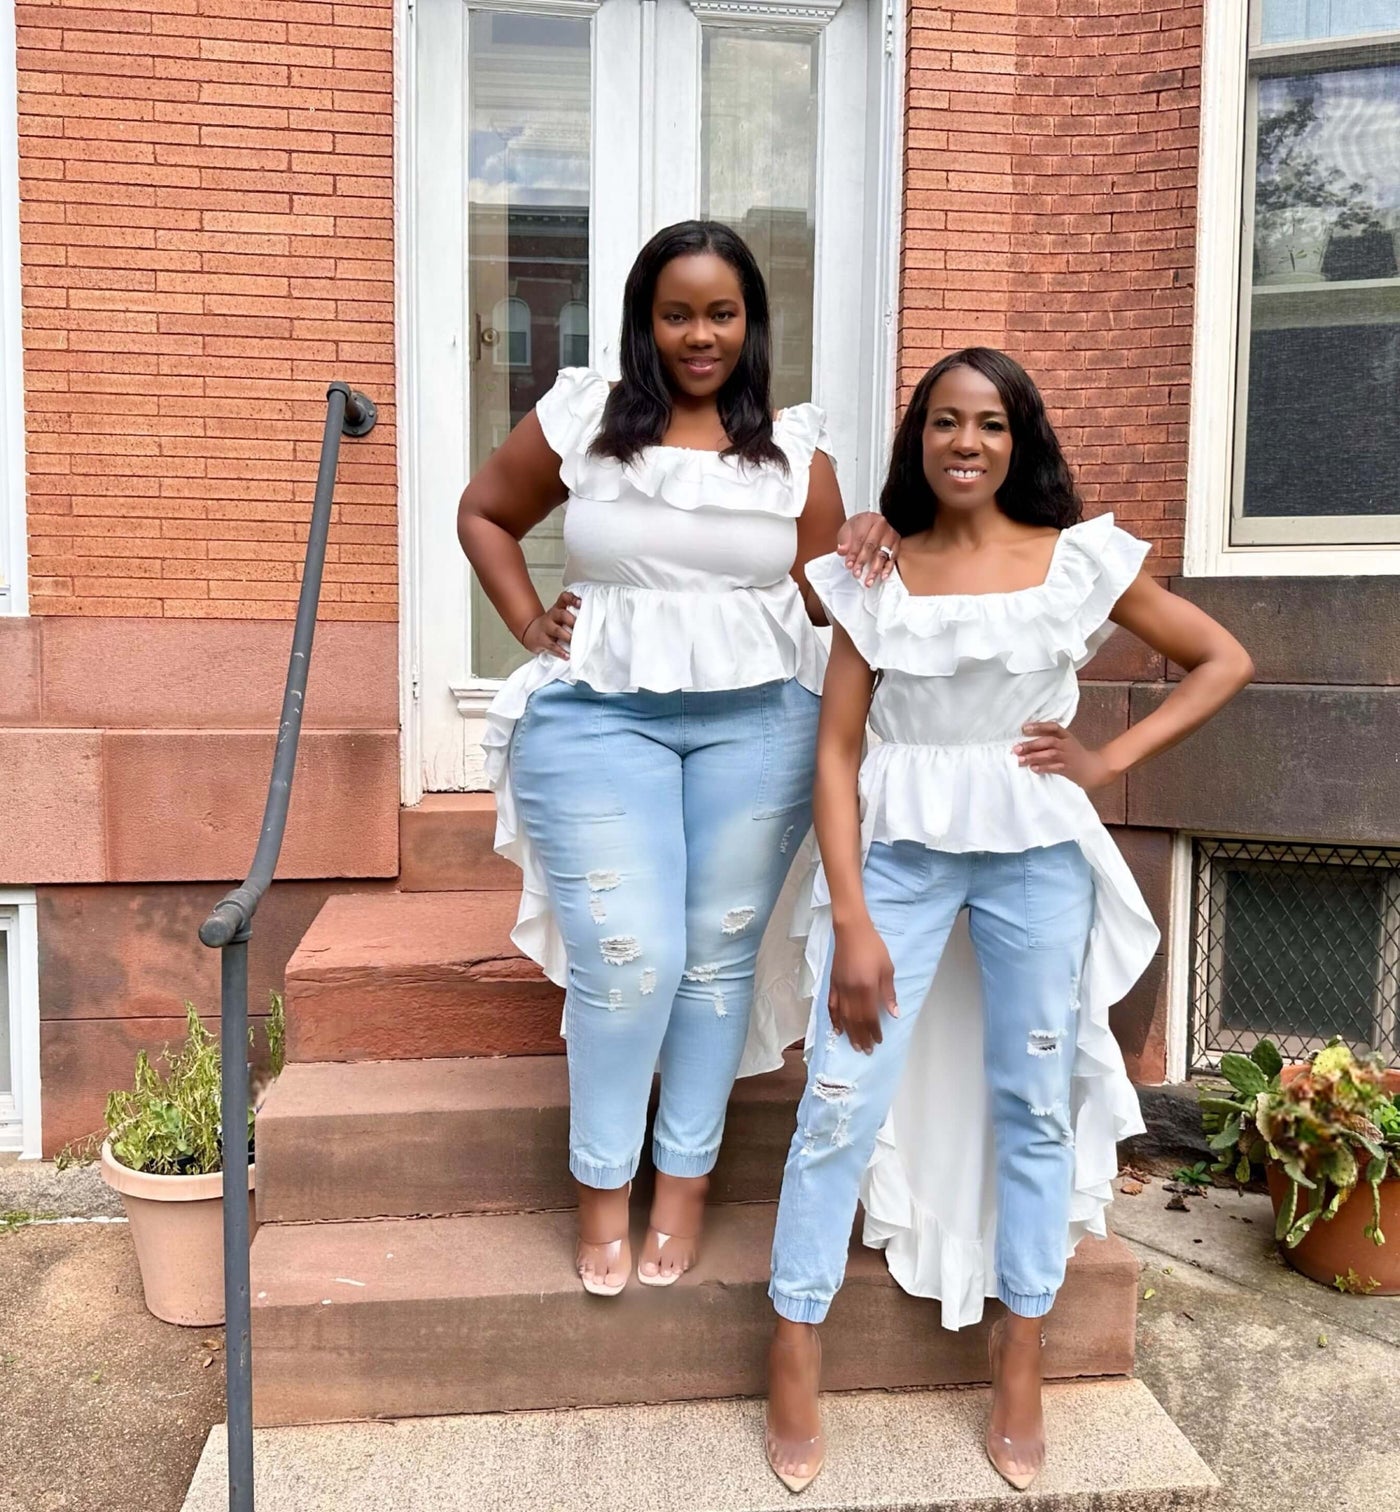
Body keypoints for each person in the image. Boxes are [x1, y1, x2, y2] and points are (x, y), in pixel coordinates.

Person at [762, 348, 1253, 1493]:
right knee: (838, 1096)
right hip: (896, 861)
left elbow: (1219, 658)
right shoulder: (875, 572)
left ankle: (1018, 1343)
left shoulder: (1073, 563)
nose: (966, 442)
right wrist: (849, 915)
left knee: (1031, 1100)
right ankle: (793, 1338)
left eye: (988, 423)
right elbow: (837, 754)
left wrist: (1102, 762)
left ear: (1019, 438)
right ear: (918, 440)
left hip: (1037, 862)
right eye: (943, 422)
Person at [457, 220, 900, 1298]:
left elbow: (821, 598)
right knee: (629, 956)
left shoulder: (795, 453)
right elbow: (483, 515)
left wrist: (872, 541)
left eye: (720, 313)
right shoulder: (583, 420)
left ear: (750, 324)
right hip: (595, 717)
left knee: (715, 960)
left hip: (758, 725)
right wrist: (525, 623)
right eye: (676, 313)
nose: (698, 334)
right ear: (643, 322)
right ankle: (602, 1191)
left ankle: (685, 1186)